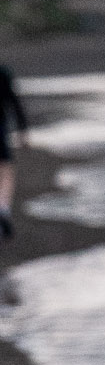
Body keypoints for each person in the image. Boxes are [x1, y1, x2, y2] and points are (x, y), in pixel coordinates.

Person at [0, 64, 28, 239]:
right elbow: (13, 101)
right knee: (6, 169)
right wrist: (23, 129)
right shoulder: (3, 74)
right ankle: (3, 207)